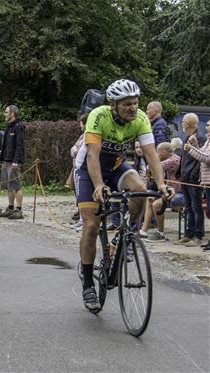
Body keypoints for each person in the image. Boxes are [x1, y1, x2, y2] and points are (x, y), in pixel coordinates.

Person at [74, 78, 173, 311]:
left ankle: (126, 234)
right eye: (126, 104)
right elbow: (92, 156)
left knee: (140, 190)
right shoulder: (99, 116)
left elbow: (151, 154)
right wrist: (98, 185)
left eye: (135, 103)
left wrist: (160, 184)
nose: (132, 108)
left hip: (118, 167)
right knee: (91, 226)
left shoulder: (140, 119)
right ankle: (88, 283)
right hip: (89, 170)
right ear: (113, 105)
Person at [140, 142, 182, 241]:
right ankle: (143, 230)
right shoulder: (168, 159)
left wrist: (153, 161)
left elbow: (151, 167)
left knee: (156, 205)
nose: (156, 154)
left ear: (163, 152)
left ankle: (160, 233)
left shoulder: (174, 160)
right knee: (150, 200)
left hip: (177, 192)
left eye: (157, 152)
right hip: (167, 190)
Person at [174, 113, 204, 247]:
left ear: (188, 124)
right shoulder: (186, 138)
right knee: (189, 207)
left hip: (193, 179)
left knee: (196, 208)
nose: (182, 125)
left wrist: (193, 176)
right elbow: (183, 160)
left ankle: (198, 236)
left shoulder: (200, 139)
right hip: (185, 178)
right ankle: (188, 234)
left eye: (183, 123)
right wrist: (180, 174)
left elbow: (201, 159)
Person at [185, 119, 210, 251]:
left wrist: (191, 150)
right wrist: (194, 145)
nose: (206, 127)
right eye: (206, 125)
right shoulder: (207, 140)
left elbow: (206, 158)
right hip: (206, 181)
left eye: (209, 125)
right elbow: (202, 153)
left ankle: (201, 236)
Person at [0, 105, 25, 220]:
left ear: (12, 113)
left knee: (16, 186)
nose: (4, 114)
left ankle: (18, 210)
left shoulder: (19, 126)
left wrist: (16, 161)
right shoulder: (8, 127)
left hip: (14, 161)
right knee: (9, 185)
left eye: (6, 112)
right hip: (6, 160)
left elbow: (20, 145)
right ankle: (10, 208)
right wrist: (1, 159)